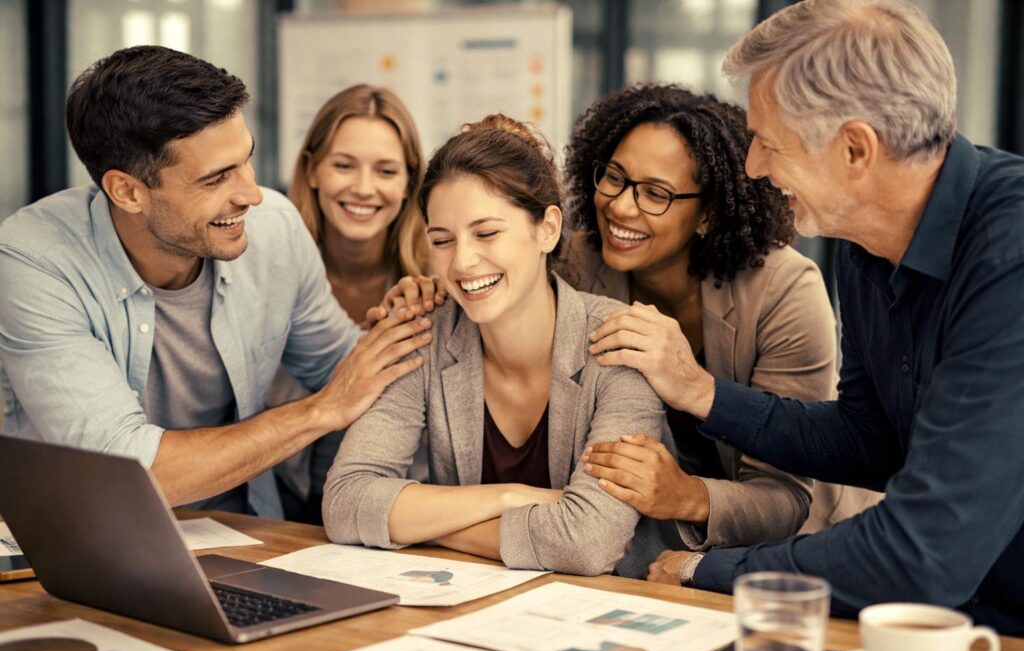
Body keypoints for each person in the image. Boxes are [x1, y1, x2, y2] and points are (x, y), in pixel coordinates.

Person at [635, 0, 1024, 635]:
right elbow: (872, 441)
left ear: (854, 149)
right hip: (950, 633)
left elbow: (924, 555)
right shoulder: (866, 240)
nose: (753, 166)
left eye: (768, 142)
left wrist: (707, 570)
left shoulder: (1010, 256)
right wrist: (705, 395)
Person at [0, 46, 432, 518]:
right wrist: (319, 411)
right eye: (216, 178)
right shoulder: (34, 260)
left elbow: (346, 371)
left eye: (245, 160)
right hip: (89, 539)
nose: (250, 193)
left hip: (247, 532)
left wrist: (405, 328)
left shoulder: (275, 229)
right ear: (127, 191)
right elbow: (128, 467)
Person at [322, 115, 664, 575]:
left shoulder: (619, 343)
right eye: (442, 240)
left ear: (546, 229)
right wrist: (511, 497)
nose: (462, 261)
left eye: (486, 233)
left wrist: (418, 522)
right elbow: (345, 501)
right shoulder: (424, 334)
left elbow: (589, 542)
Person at [564, 84, 881, 576]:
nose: (622, 207)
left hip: (792, 556)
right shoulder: (576, 266)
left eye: (656, 194)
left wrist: (685, 495)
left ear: (708, 214)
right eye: (615, 178)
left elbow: (787, 497)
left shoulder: (785, 290)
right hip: (645, 552)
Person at [270, 84, 435, 521]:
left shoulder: (437, 284)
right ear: (312, 171)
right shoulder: (265, 272)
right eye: (344, 165)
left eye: (385, 171)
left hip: (397, 512)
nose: (363, 188)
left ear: (408, 184)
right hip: (277, 505)